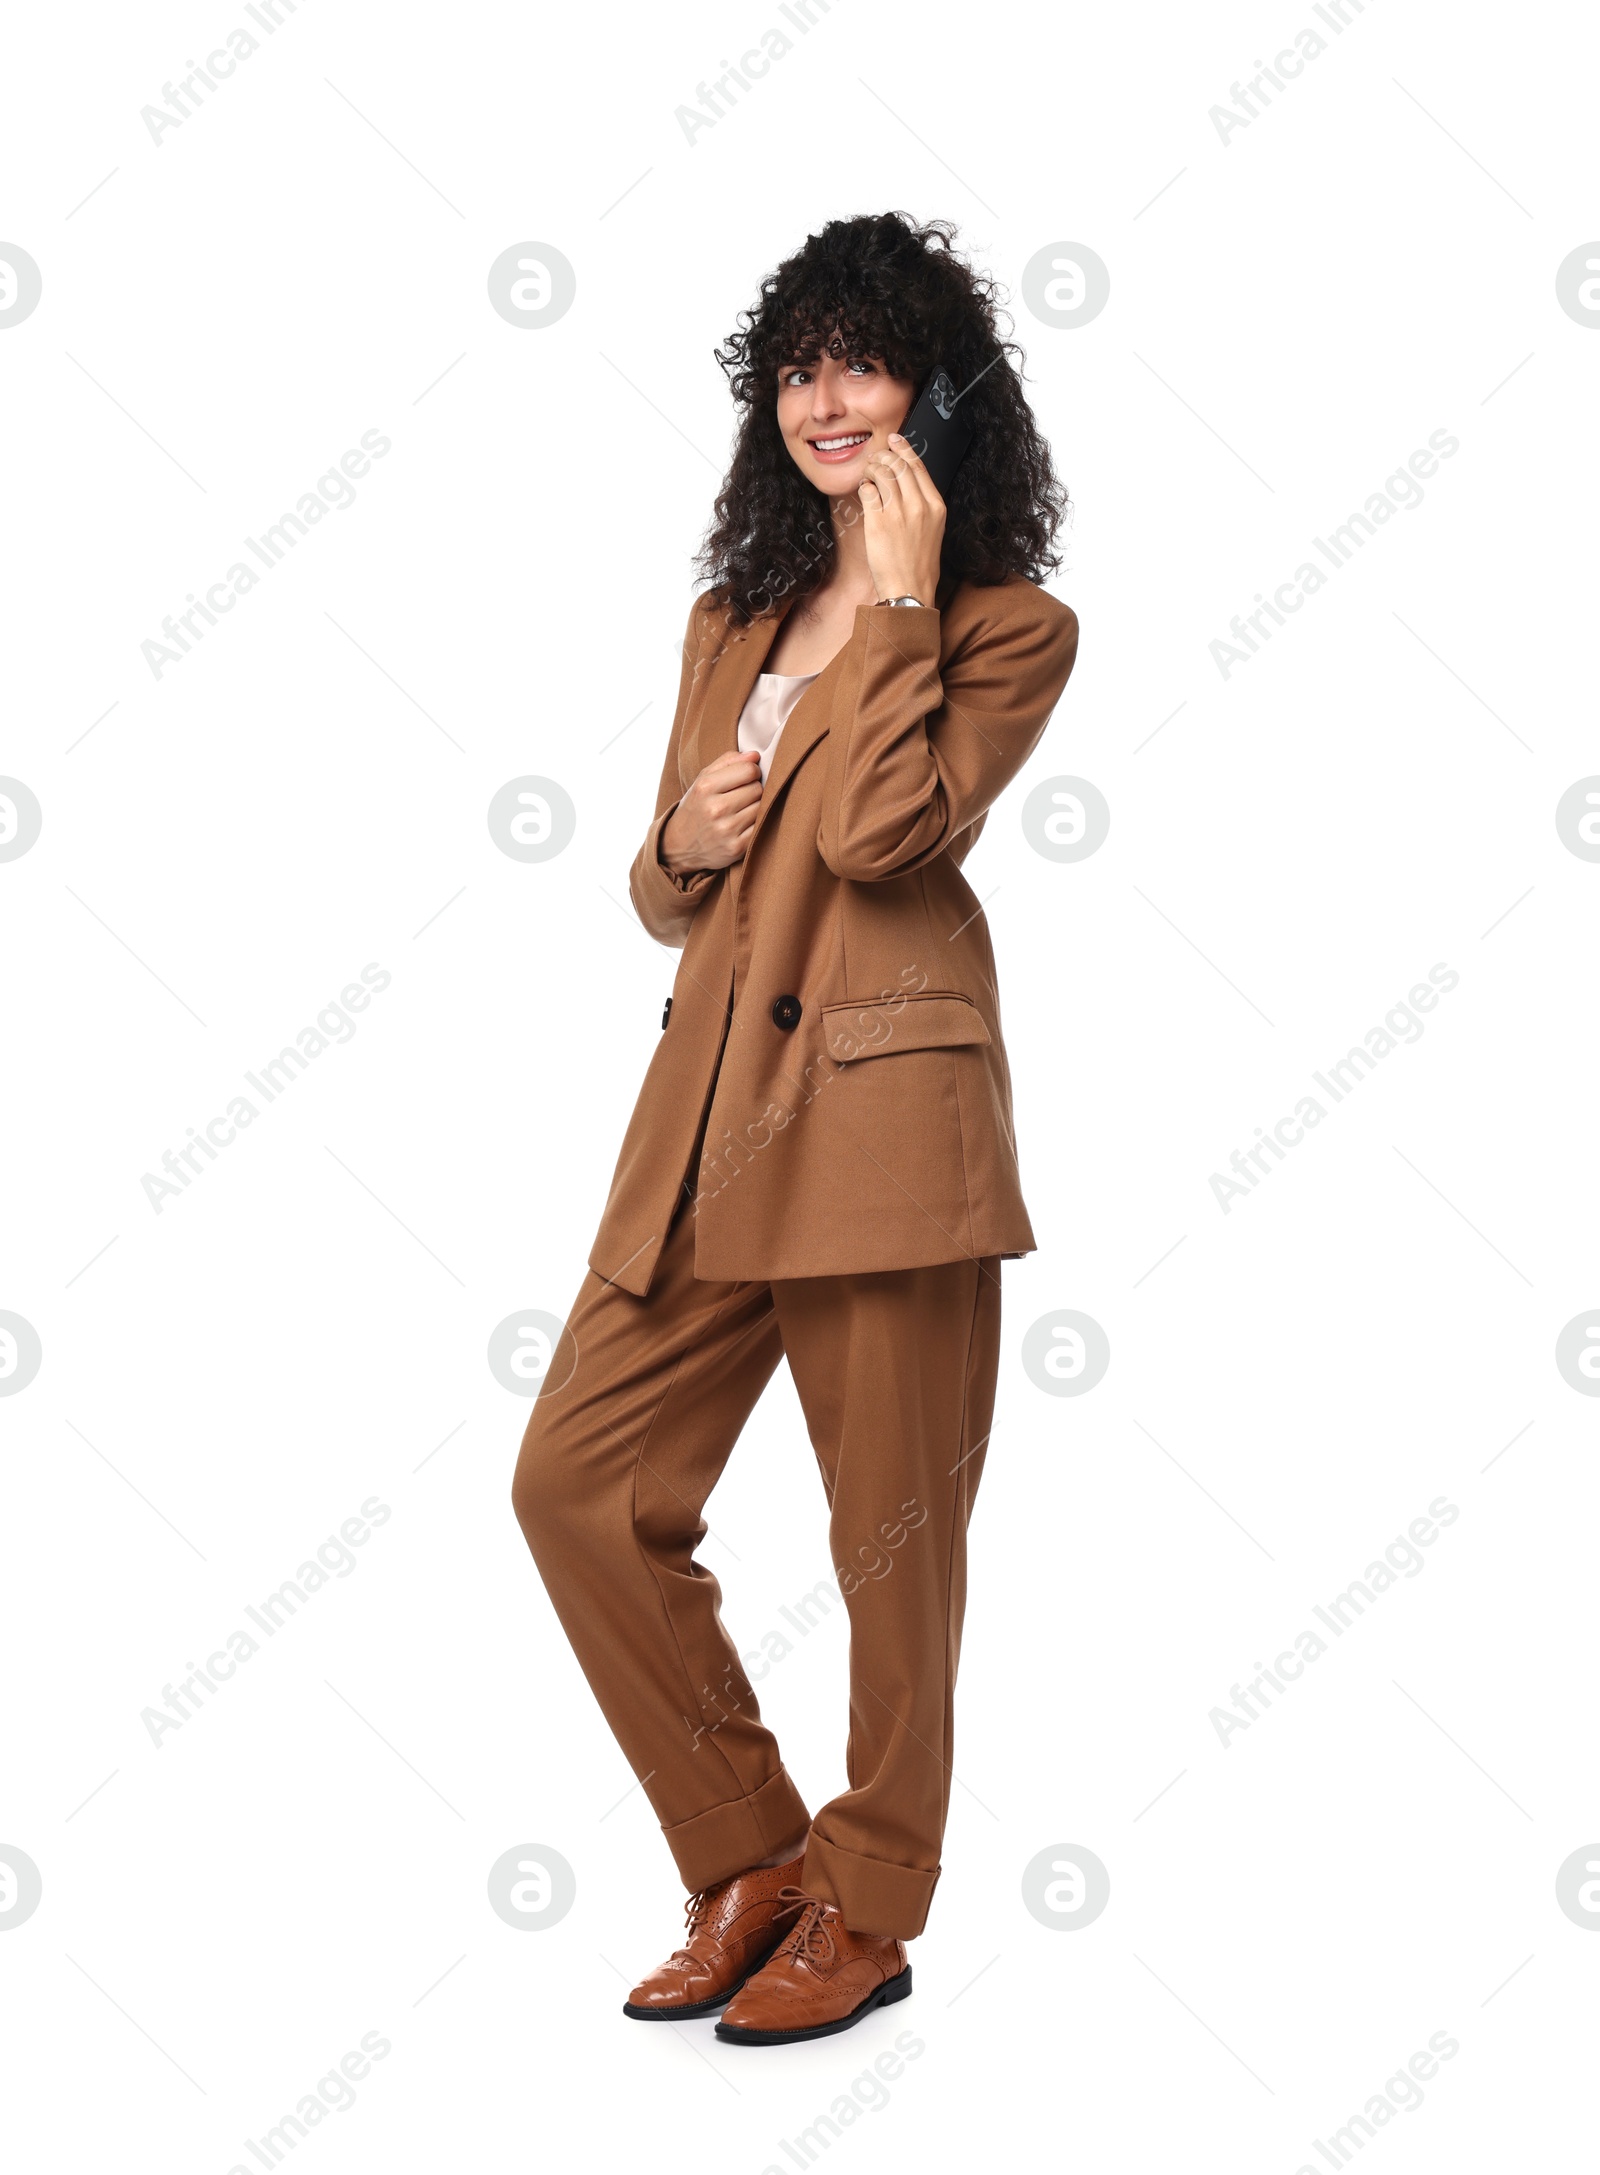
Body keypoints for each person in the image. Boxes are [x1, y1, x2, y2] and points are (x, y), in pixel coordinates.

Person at [512, 209, 1078, 2047]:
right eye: (801, 365)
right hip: (702, 1132)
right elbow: (671, 882)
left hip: (883, 1139)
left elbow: (883, 843)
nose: (828, 400)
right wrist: (683, 838)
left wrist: (902, 604)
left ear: (941, 394)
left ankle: (875, 1901)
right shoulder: (729, 616)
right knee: (578, 1487)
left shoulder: (1007, 627)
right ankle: (751, 1858)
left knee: (893, 1545)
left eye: (867, 362)